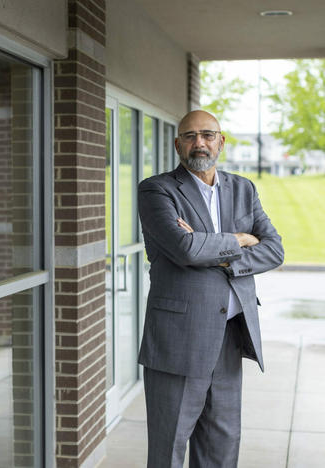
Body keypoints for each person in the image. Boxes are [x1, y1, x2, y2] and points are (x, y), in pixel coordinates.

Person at [137, 110, 284, 467]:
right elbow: (185, 249)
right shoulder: (157, 189)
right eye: (189, 136)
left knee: (222, 446)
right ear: (177, 144)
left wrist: (215, 249)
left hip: (230, 337)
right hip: (178, 339)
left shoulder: (243, 188)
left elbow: (274, 249)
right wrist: (241, 239)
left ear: (221, 140)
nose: (198, 142)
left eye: (207, 134)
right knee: (169, 447)